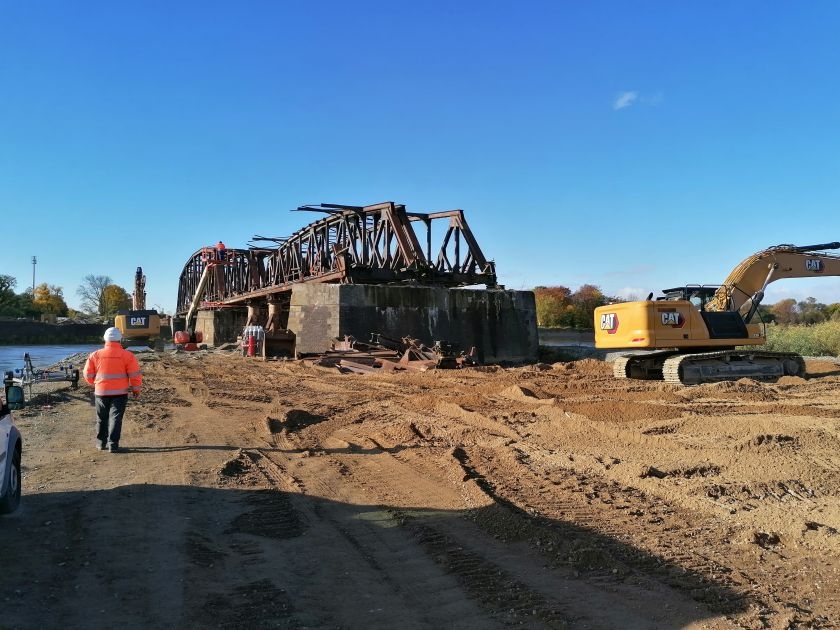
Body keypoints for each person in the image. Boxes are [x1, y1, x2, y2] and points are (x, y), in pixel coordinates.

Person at [83, 327, 142, 453]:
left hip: (101, 392)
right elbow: (135, 375)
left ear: (105, 339)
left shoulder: (95, 355)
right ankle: (113, 445)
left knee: (101, 418)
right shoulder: (128, 355)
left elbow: (87, 375)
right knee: (116, 418)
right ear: (120, 339)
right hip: (120, 393)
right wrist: (136, 390)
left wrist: (96, 384)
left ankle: (100, 443)